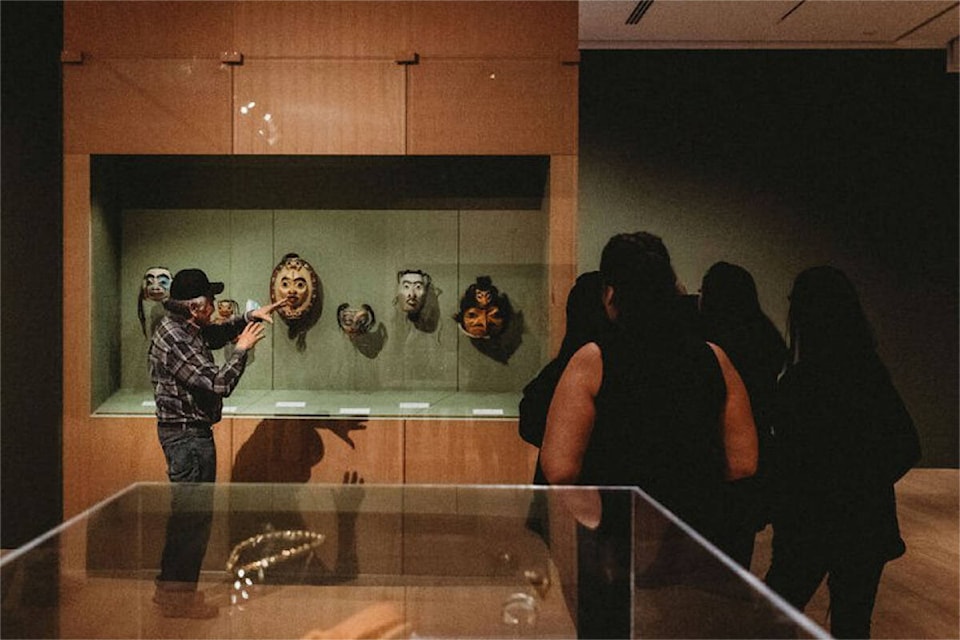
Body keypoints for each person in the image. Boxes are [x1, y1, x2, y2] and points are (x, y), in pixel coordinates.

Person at [541, 232, 758, 638]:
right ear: (672, 289)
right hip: (696, 530)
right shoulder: (714, 357)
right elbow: (744, 462)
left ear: (610, 294)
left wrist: (599, 517)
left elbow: (559, 468)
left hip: (619, 537)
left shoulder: (593, 360)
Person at [764, 266, 920, 639]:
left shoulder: (799, 383)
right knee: (852, 625)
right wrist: (862, 483)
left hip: (807, 523)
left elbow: (787, 458)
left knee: (773, 616)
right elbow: (907, 445)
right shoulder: (869, 374)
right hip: (863, 522)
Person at [149, 268, 286, 618]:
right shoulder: (176, 337)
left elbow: (210, 336)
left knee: (186, 519)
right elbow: (217, 383)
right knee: (192, 521)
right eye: (209, 301)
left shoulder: (184, 327)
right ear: (195, 307)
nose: (213, 306)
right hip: (187, 438)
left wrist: (246, 318)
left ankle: (171, 592)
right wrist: (240, 350)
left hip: (187, 434)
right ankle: (177, 599)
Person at [699, 261, 787, 569]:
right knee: (737, 553)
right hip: (758, 448)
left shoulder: (709, 344)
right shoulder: (766, 338)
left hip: (714, 451)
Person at [518, 271, 608, 541]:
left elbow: (530, 423)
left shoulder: (566, 367)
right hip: (591, 495)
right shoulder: (587, 363)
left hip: (578, 497)